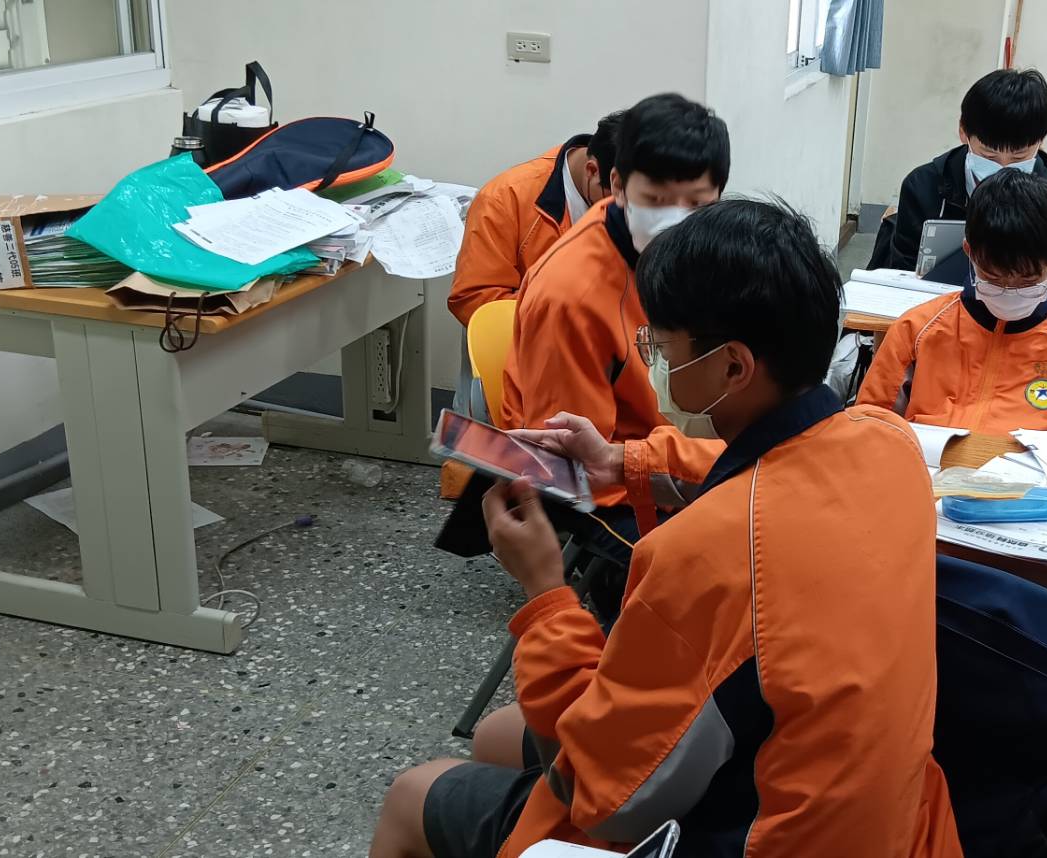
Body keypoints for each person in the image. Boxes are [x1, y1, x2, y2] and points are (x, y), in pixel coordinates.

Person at [370, 199, 963, 858]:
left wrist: (544, 596)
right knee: (498, 735)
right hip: (887, 814)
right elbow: (767, 471)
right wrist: (623, 460)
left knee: (413, 794)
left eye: (662, 344)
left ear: (733, 366)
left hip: (759, 835)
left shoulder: (700, 552)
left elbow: (604, 798)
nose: (653, 357)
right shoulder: (887, 441)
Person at [497, 92, 728, 510]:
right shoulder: (572, 297)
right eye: (657, 200)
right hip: (611, 489)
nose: (676, 220)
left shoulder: (694, 250)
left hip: (671, 447)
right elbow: (573, 471)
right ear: (618, 185)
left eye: (696, 203)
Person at [858, 170, 1047, 440]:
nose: (1009, 290)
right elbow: (869, 429)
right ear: (969, 251)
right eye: (993, 277)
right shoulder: (916, 331)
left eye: (1028, 280)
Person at [869, 68, 1047, 275]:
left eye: (1019, 158)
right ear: (963, 132)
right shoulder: (923, 187)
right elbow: (904, 270)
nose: (1003, 168)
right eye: (989, 156)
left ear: (1041, 140)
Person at [445, 111, 623, 327]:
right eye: (621, 200)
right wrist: (568, 313)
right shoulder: (503, 199)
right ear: (592, 171)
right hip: (527, 340)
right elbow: (474, 299)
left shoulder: (646, 198)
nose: (629, 213)